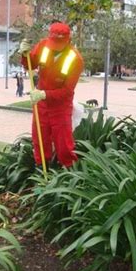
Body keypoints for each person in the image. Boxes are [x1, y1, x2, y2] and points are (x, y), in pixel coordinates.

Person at [19, 22, 84, 168]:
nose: (55, 47)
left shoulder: (75, 59)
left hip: (60, 106)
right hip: (41, 103)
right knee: (39, 139)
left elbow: (67, 91)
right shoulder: (43, 46)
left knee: (64, 143)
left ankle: (68, 171)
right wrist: (25, 55)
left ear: (68, 40)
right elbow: (31, 63)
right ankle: (41, 168)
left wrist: (44, 94)